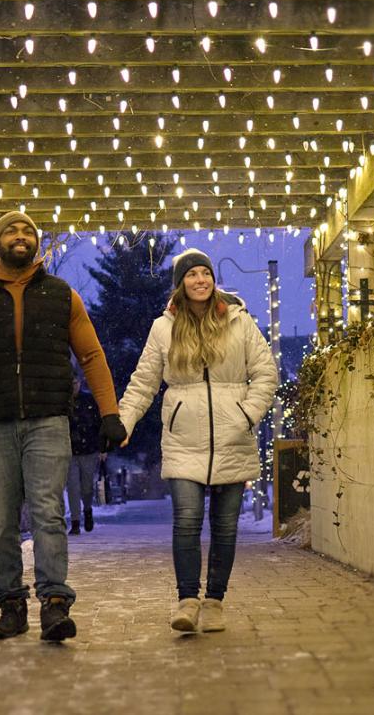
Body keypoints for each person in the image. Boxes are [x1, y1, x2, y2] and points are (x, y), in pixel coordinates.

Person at [0, 212, 128, 642]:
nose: (20, 237)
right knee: (1, 519)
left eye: (27, 232)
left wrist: (110, 413)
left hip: (48, 420)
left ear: (36, 244)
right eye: (11, 231)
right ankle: (11, 604)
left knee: (47, 511)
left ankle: (55, 604)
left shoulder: (62, 295)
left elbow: (92, 357)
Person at [116, 248, 279, 634]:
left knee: (225, 527)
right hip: (183, 439)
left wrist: (245, 415)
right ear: (181, 284)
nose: (200, 280)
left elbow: (266, 373)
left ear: (212, 280)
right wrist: (124, 422)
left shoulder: (239, 322)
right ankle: (187, 601)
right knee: (186, 521)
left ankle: (215, 602)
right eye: (192, 275)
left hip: (233, 436)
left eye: (205, 273)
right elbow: (144, 382)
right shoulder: (163, 327)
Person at [66, 389, 104, 535]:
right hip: (70, 451)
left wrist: (102, 447)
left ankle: (87, 509)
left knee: (87, 487)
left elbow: (98, 423)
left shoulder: (89, 400)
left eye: (75, 383)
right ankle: (75, 521)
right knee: (73, 487)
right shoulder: (64, 401)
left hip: (89, 449)